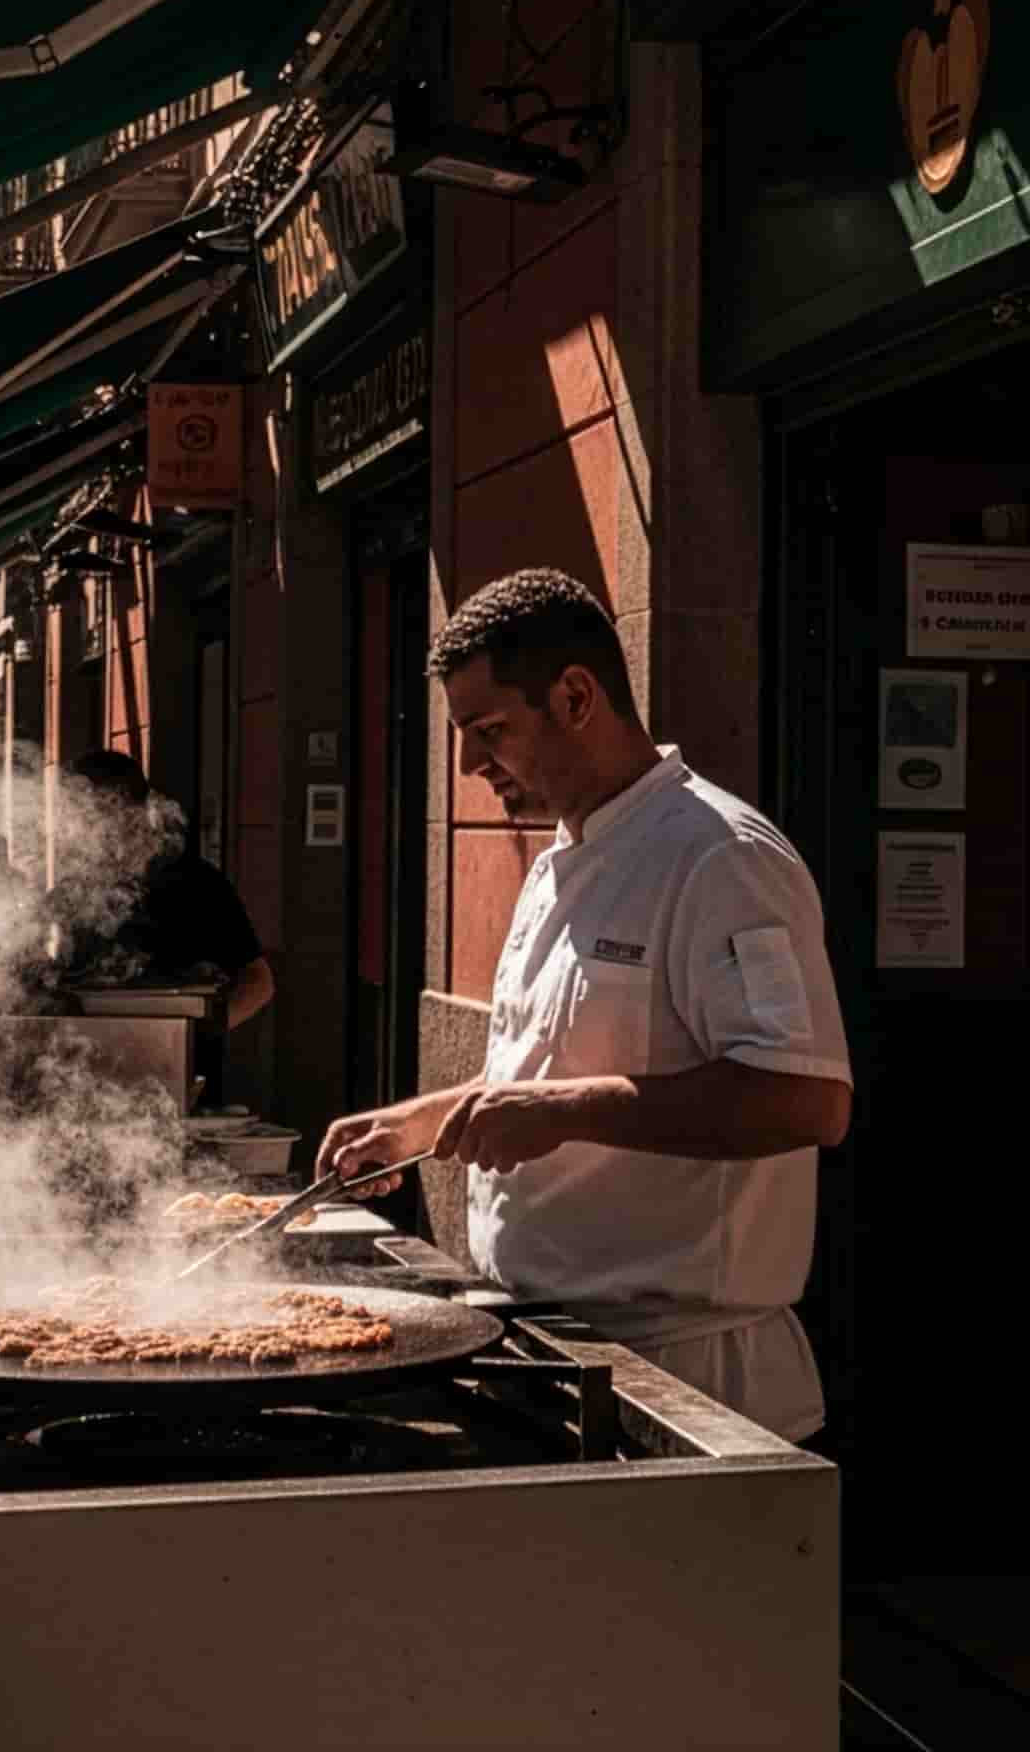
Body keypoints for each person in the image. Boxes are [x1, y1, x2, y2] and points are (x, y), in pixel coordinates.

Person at [316, 569, 851, 1443]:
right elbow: (546, 1073)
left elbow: (806, 1100)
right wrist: (418, 1123)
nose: (468, 764)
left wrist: (560, 1111)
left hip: (691, 1378)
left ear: (575, 696)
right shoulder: (553, 862)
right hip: (548, 1347)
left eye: (490, 731)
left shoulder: (719, 857)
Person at [54, 749, 276, 1032]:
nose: (78, 832)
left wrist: (203, 1038)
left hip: (172, 1052)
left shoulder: (196, 884)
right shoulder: (77, 887)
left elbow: (259, 982)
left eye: (90, 818)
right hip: (87, 1053)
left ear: (133, 812)